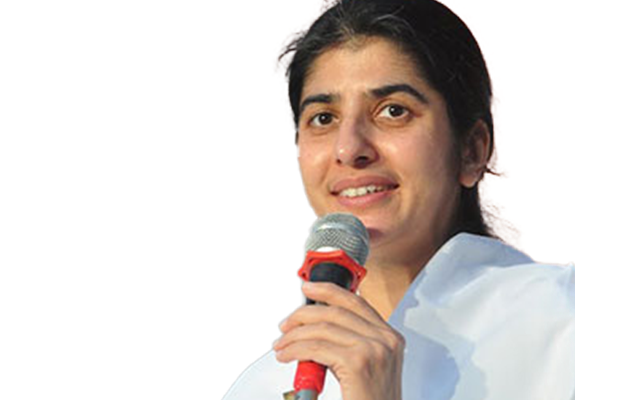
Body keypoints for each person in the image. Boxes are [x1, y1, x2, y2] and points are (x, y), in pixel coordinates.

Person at [223, 0, 575, 399]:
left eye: (393, 111)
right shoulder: (264, 384)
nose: (349, 148)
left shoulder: (575, 324)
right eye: (323, 118)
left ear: (472, 151)